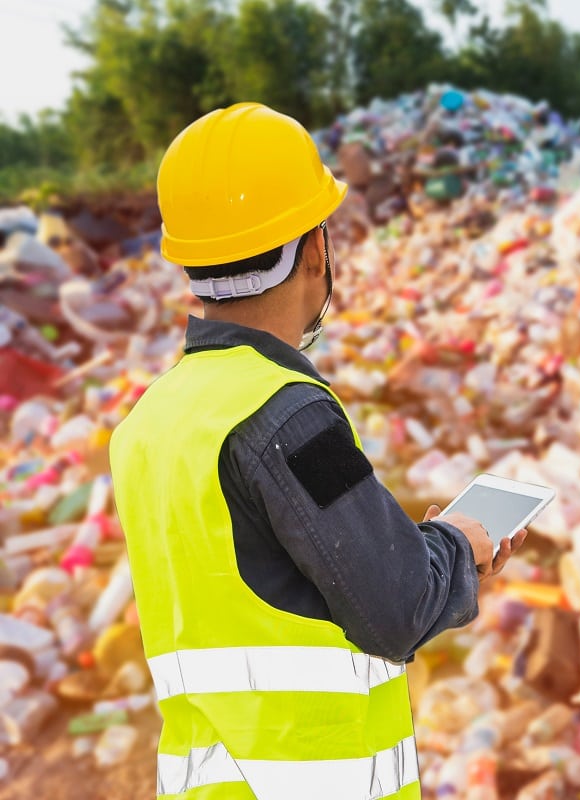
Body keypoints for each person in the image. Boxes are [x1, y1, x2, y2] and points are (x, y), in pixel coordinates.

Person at [108, 102, 522, 800]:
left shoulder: (149, 422)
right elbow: (394, 607)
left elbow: (268, 584)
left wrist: (420, 546)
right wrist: (458, 547)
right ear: (316, 250)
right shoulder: (287, 416)